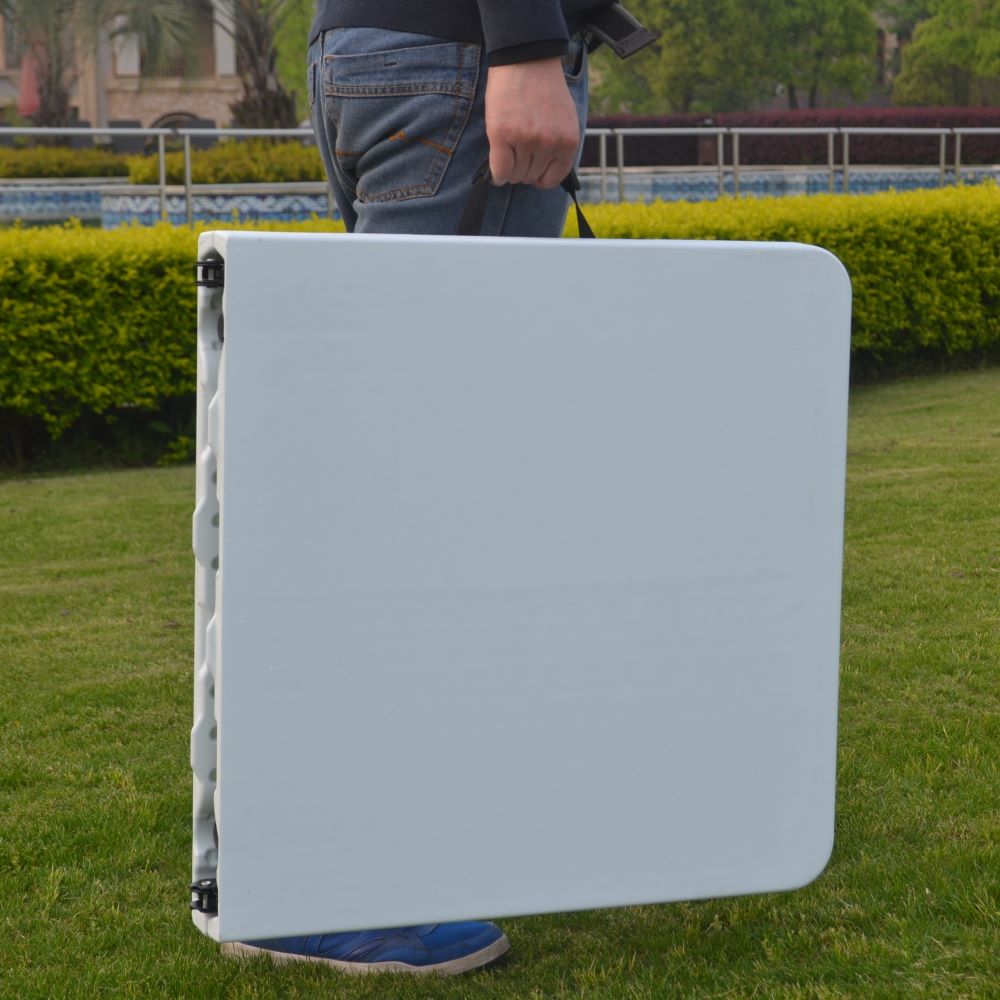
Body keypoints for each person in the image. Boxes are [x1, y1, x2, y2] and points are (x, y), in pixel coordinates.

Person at [222, 1, 648, 976]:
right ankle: (315, 882)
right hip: (461, 56)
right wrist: (527, 48)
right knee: (419, 494)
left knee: (394, 474)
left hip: (396, 55)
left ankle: (321, 861)